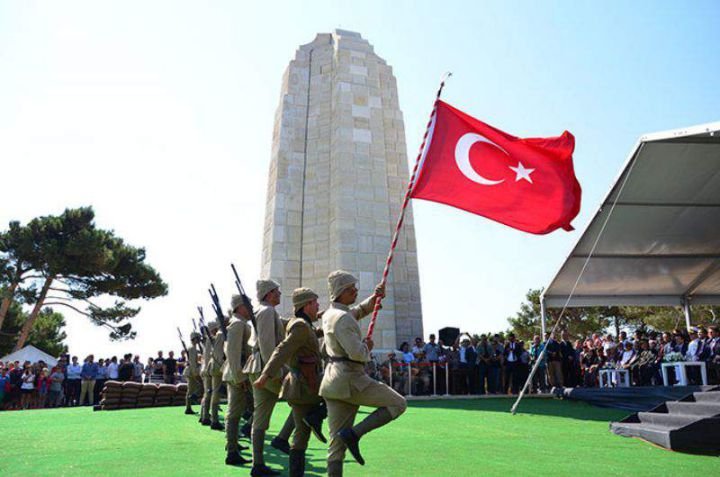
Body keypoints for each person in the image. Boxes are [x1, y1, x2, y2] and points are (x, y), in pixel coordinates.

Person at [319, 270, 406, 477]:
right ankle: (354, 434)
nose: (356, 291)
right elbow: (357, 353)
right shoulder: (343, 318)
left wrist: (375, 298)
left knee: (335, 447)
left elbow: (357, 311)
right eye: (351, 289)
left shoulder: (330, 314)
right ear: (340, 291)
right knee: (398, 403)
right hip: (351, 380)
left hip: (333, 382)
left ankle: (347, 438)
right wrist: (367, 346)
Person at [255, 287, 328, 476]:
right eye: (315, 302)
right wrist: (266, 374)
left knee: (301, 436)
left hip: (304, 386)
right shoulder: (300, 326)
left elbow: (314, 333)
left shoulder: (304, 325)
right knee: (340, 391)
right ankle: (316, 416)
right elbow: (282, 350)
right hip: (304, 386)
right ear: (306, 305)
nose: (318, 305)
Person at [243, 279, 293, 476]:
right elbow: (266, 345)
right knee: (304, 400)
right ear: (269, 294)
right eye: (276, 291)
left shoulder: (267, 311)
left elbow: (285, 325)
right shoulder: (267, 312)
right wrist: (275, 372)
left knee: (261, 417)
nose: (280, 294)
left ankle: (258, 464)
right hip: (266, 368)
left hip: (260, 367)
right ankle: (282, 439)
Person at [223, 294, 253, 467]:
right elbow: (233, 353)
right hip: (238, 374)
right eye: (248, 305)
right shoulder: (237, 324)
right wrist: (239, 376)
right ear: (240, 307)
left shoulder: (240, 323)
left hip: (239, 373)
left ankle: (232, 445)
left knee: (238, 411)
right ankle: (232, 452)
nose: (251, 308)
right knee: (234, 413)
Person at [208, 321, 226, 431]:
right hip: (219, 366)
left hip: (216, 366)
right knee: (216, 393)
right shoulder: (221, 334)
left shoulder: (218, 334)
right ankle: (214, 420)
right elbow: (219, 354)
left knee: (215, 392)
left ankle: (213, 418)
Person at [199, 324, 216, 426]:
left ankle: (203, 415)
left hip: (205, 369)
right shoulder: (211, 339)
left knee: (207, 393)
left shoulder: (207, 340)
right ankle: (206, 417)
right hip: (208, 369)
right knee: (210, 394)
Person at [183, 332, 204, 416]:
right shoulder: (192, 348)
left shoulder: (193, 348)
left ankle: (188, 407)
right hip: (191, 371)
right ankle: (188, 407)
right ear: (194, 339)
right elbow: (192, 363)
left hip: (191, 370)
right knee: (193, 389)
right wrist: (195, 374)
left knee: (191, 390)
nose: (199, 340)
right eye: (198, 339)